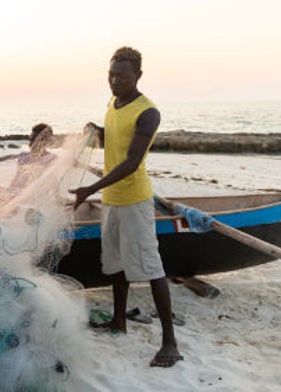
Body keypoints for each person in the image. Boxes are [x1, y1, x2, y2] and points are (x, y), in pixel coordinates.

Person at [68, 46, 182, 367]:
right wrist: (96, 132)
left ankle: (170, 343)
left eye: (122, 76)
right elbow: (114, 138)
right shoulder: (113, 103)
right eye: (111, 74)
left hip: (134, 200)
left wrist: (90, 187)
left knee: (150, 267)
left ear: (138, 77)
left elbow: (132, 162)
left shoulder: (148, 112)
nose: (115, 81)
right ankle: (119, 321)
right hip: (111, 201)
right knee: (117, 264)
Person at [0, 123, 56, 201]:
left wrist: (59, 199)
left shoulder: (51, 158)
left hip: (33, 195)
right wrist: (9, 191)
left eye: (34, 140)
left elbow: (53, 183)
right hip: (16, 192)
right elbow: (17, 178)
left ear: (44, 142)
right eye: (30, 140)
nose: (30, 144)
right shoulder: (23, 156)